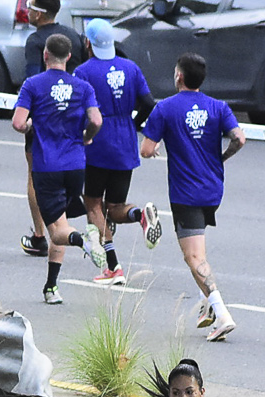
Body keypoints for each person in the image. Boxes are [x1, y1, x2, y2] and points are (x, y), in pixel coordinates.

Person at [141, 54, 248, 340]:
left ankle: (221, 313)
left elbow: (146, 149)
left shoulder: (165, 108)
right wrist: (222, 157)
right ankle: (207, 305)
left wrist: (157, 148)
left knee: (193, 256)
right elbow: (239, 138)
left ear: (179, 76)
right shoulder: (218, 107)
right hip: (212, 189)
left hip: (185, 192)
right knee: (197, 251)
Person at [13, 33, 102, 304]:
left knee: (58, 232)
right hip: (75, 166)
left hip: (47, 167)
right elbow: (96, 120)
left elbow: (18, 123)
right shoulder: (83, 87)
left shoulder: (33, 84)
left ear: (45, 55)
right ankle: (51, 287)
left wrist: (30, 126)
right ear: (69, 57)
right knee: (61, 220)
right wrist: (87, 137)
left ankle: (84, 240)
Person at [75, 19, 161, 285]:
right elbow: (149, 103)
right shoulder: (131, 68)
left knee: (92, 203)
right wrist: (134, 124)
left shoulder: (83, 72)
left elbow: (79, 111)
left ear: (88, 43)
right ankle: (140, 215)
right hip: (125, 139)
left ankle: (113, 267)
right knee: (114, 208)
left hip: (98, 142)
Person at [18, 0, 84, 258]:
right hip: (73, 115)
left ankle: (40, 235)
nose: (27, 11)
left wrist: (27, 119)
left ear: (40, 13)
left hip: (43, 119)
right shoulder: (73, 37)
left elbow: (33, 80)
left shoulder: (36, 41)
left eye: (31, 7)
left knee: (35, 176)